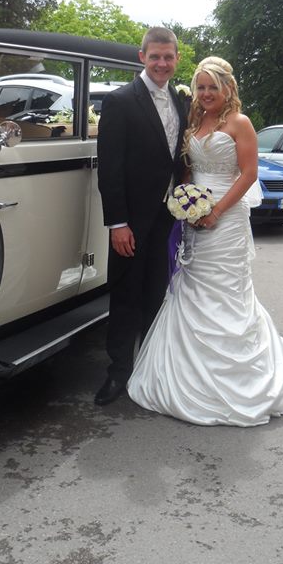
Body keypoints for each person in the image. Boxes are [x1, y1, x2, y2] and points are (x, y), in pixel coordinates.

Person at [127, 56, 283, 426]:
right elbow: (187, 168)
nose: (206, 93)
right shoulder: (195, 120)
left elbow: (248, 174)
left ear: (227, 88)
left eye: (212, 87)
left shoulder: (240, 123)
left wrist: (216, 211)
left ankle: (239, 377)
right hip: (195, 214)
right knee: (192, 283)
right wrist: (187, 201)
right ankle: (186, 373)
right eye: (201, 87)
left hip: (227, 217)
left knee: (227, 288)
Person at [95, 27, 188, 405]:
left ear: (176, 59)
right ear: (142, 57)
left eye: (168, 57)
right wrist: (117, 223)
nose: (162, 63)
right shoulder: (120, 101)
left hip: (167, 218)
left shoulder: (181, 101)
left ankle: (149, 369)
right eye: (155, 57)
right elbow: (110, 169)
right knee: (126, 297)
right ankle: (118, 372)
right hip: (131, 222)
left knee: (156, 295)